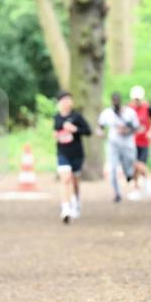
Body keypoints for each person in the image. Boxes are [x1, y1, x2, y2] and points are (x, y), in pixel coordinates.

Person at [53, 91, 91, 223]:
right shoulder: (57, 117)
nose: (66, 103)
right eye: (63, 101)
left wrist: (75, 129)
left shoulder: (77, 117)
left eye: (68, 100)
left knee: (75, 181)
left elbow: (88, 131)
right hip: (63, 153)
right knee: (65, 178)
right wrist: (58, 135)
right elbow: (55, 131)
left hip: (77, 154)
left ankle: (76, 201)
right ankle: (65, 208)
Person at [97, 92, 140, 203]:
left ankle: (128, 174)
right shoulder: (107, 113)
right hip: (113, 145)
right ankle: (117, 193)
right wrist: (100, 132)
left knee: (129, 164)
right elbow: (100, 126)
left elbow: (136, 127)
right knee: (112, 169)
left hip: (128, 145)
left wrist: (127, 130)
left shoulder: (129, 112)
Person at [129, 85, 151, 198]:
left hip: (144, 142)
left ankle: (147, 182)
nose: (137, 101)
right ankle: (136, 189)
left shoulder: (148, 108)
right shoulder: (129, 109)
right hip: (132, 142)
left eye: (138, 99)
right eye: (135, 99)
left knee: (140, 164)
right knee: (134, 166)